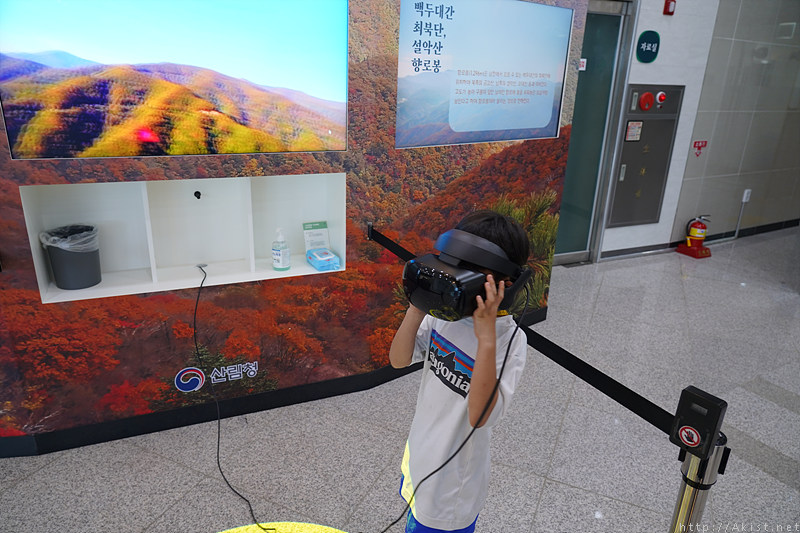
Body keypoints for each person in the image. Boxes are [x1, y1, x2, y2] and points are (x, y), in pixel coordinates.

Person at [389, 210, 531, 533]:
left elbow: (479, 417)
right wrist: (417, 306)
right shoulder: (444, 315)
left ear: (504, 285)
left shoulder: (509, 342)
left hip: (452, 489)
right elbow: (398, 359)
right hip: (419, 458)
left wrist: (486, 339)